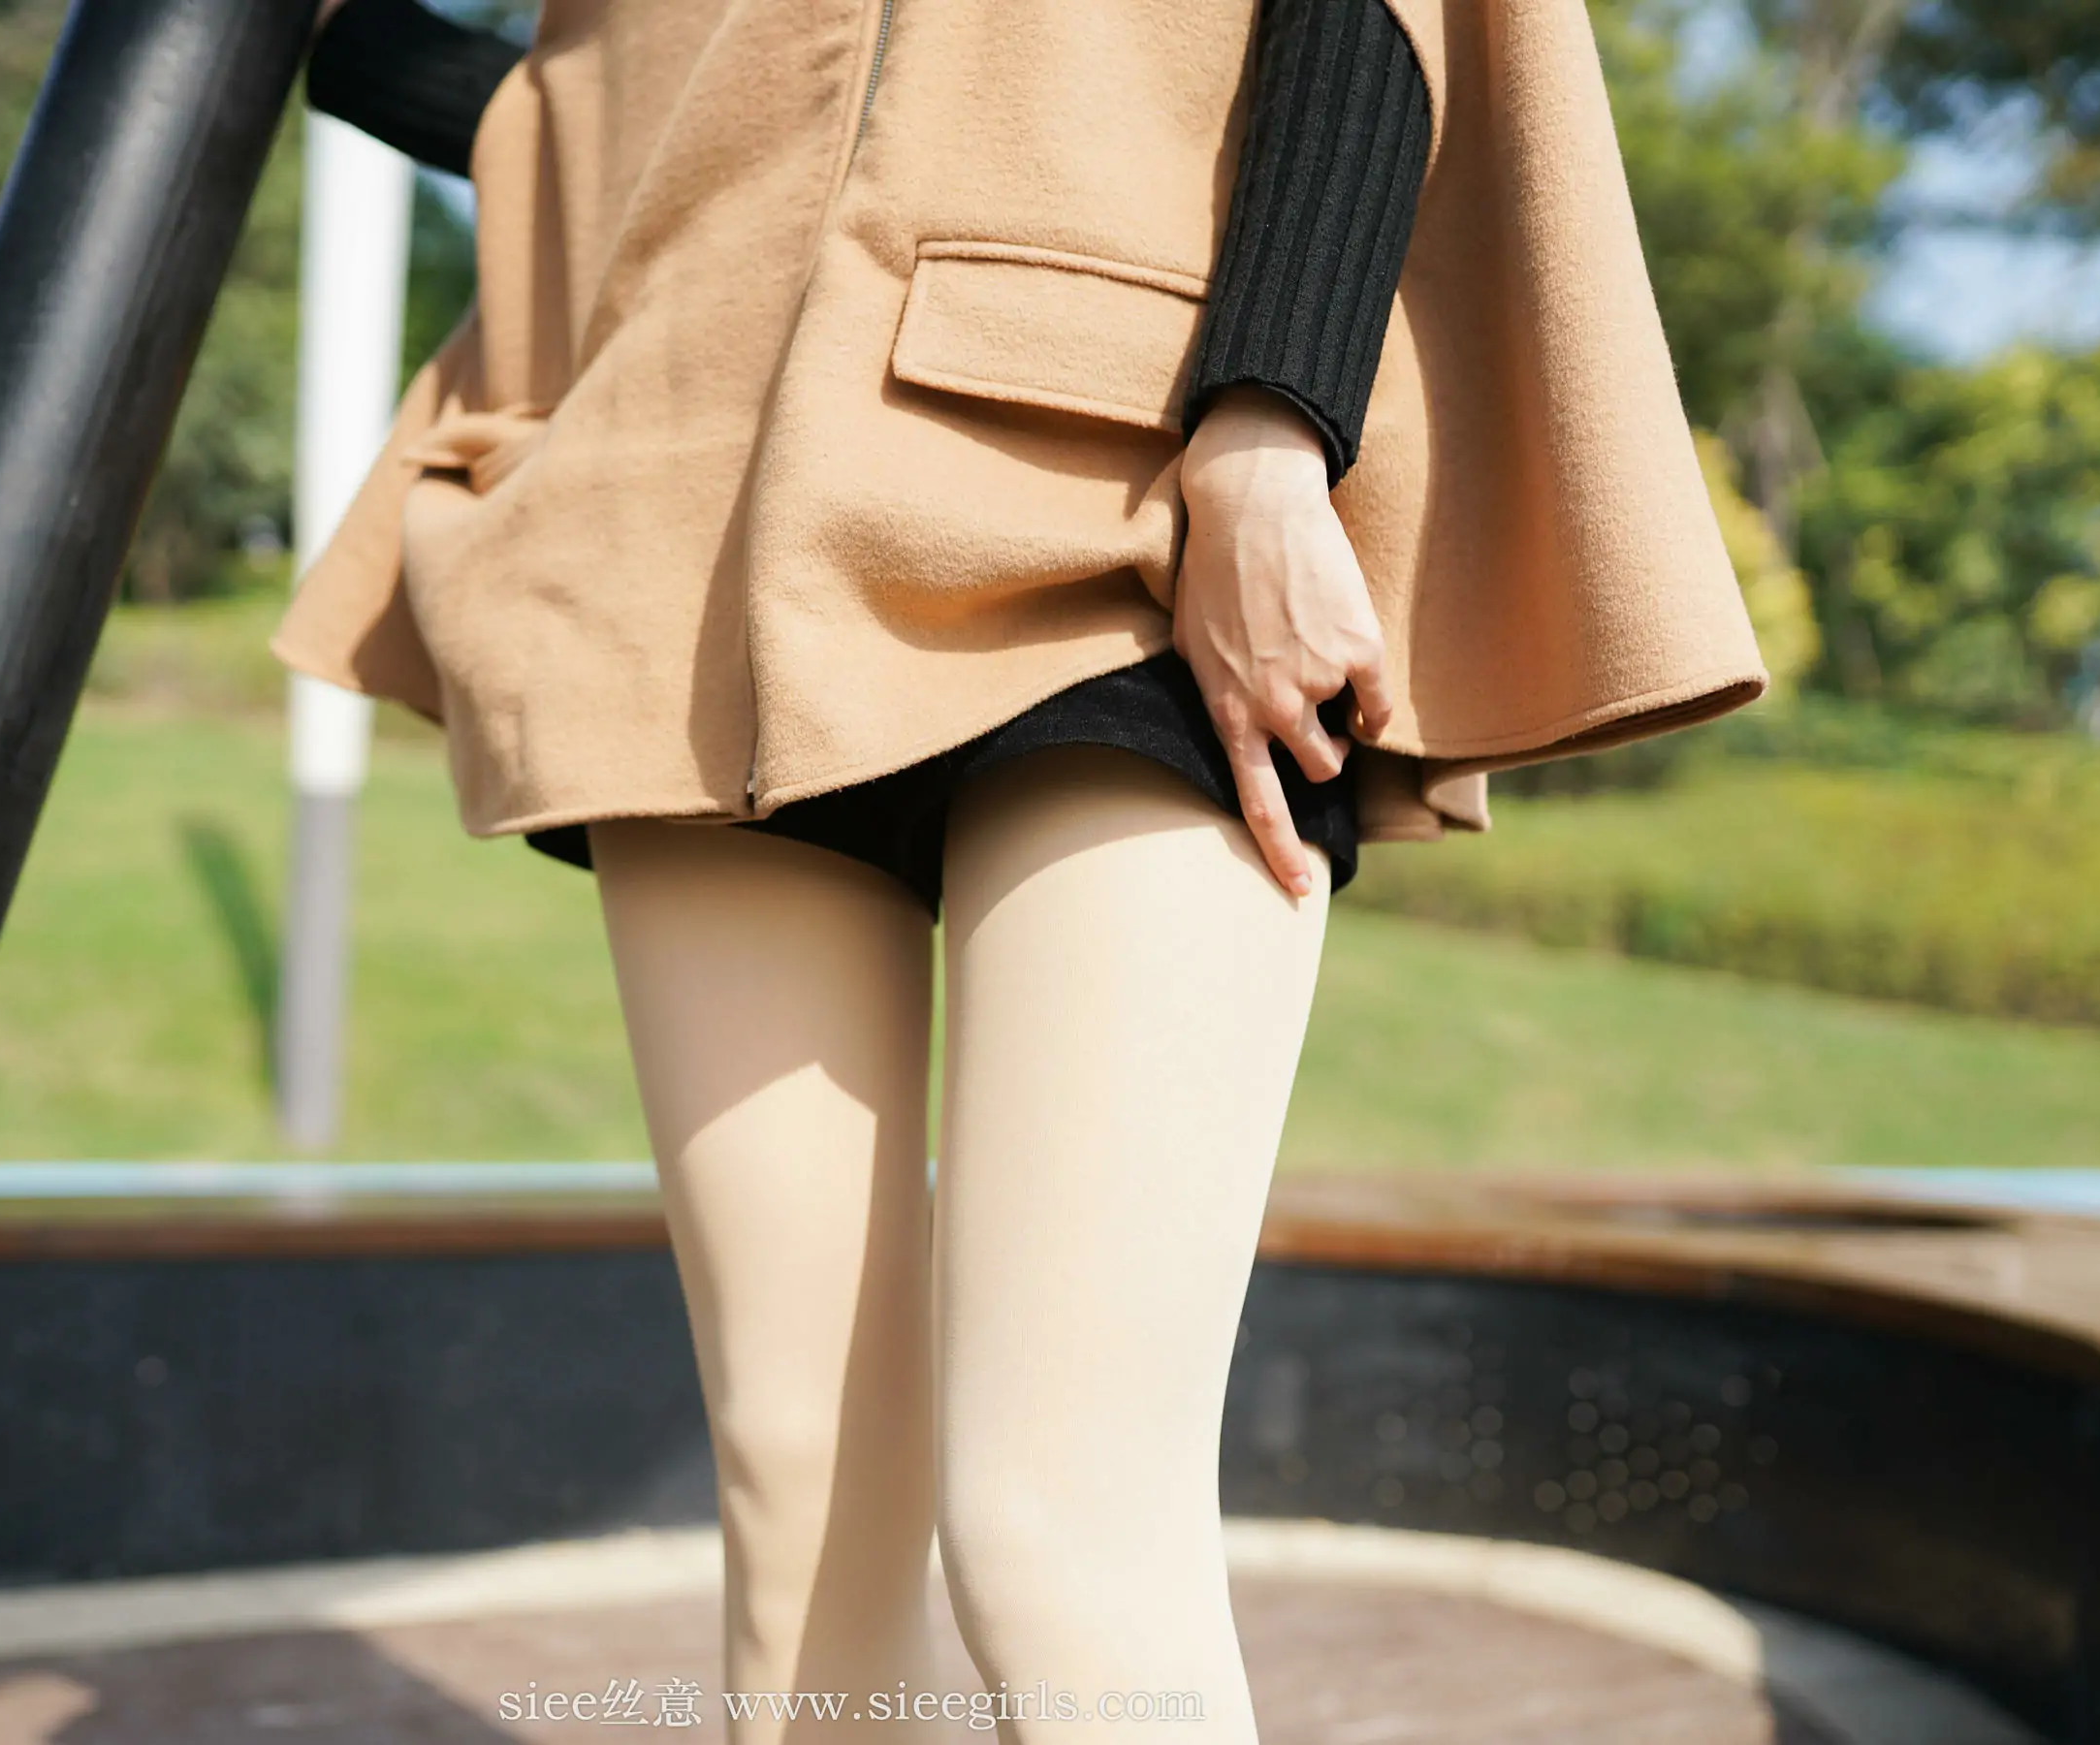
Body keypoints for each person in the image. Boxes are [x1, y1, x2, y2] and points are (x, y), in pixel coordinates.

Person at [278, 1, 1768, 1738]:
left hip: (1130, 499)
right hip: (689, 521)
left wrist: (1269, 429)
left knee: (1057, 1530)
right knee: (795, 1497)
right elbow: (610, 76)